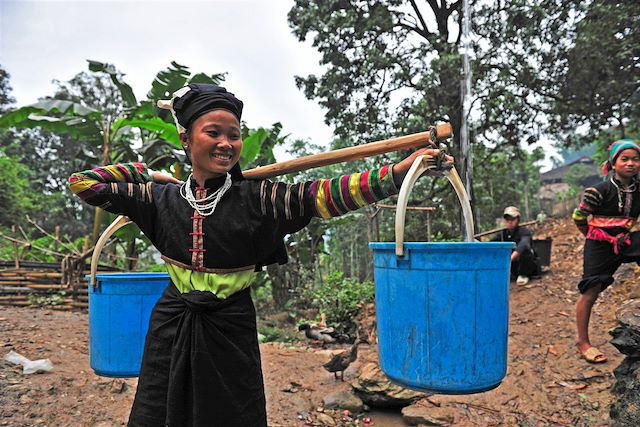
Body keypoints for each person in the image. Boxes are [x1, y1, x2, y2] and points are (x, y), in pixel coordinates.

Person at [68, 83, 451, 427]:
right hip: (173, 323)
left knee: (232, 413)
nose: (226, 143)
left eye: (233, 135)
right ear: (186, 139)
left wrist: (400, 172)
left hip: (230, 326)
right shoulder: (158, 200)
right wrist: (149, 175)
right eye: (213, 133)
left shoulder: (260, 198)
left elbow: (328, 194)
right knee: (161, 409)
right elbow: (84, 183)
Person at [572, 139, 640, 364]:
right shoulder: (598, 191)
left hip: (625, 240)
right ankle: (583, 342)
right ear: (613, 163)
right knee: (591, 289)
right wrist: (594, 237)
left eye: (635, 159)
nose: (631, 163)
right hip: (600, 244)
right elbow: (579, 217)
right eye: (625, 159)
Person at [491, 206, 539, 285]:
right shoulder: (503, 234)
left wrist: (510, 258)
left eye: (512, 219)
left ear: (518, 220)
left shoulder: (524, 232)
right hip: (513, 266)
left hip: (528, 266)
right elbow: (490, 243)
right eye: (507, 219)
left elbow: (523, 244)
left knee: (525, 250)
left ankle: (523, 275)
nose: (510, 222)